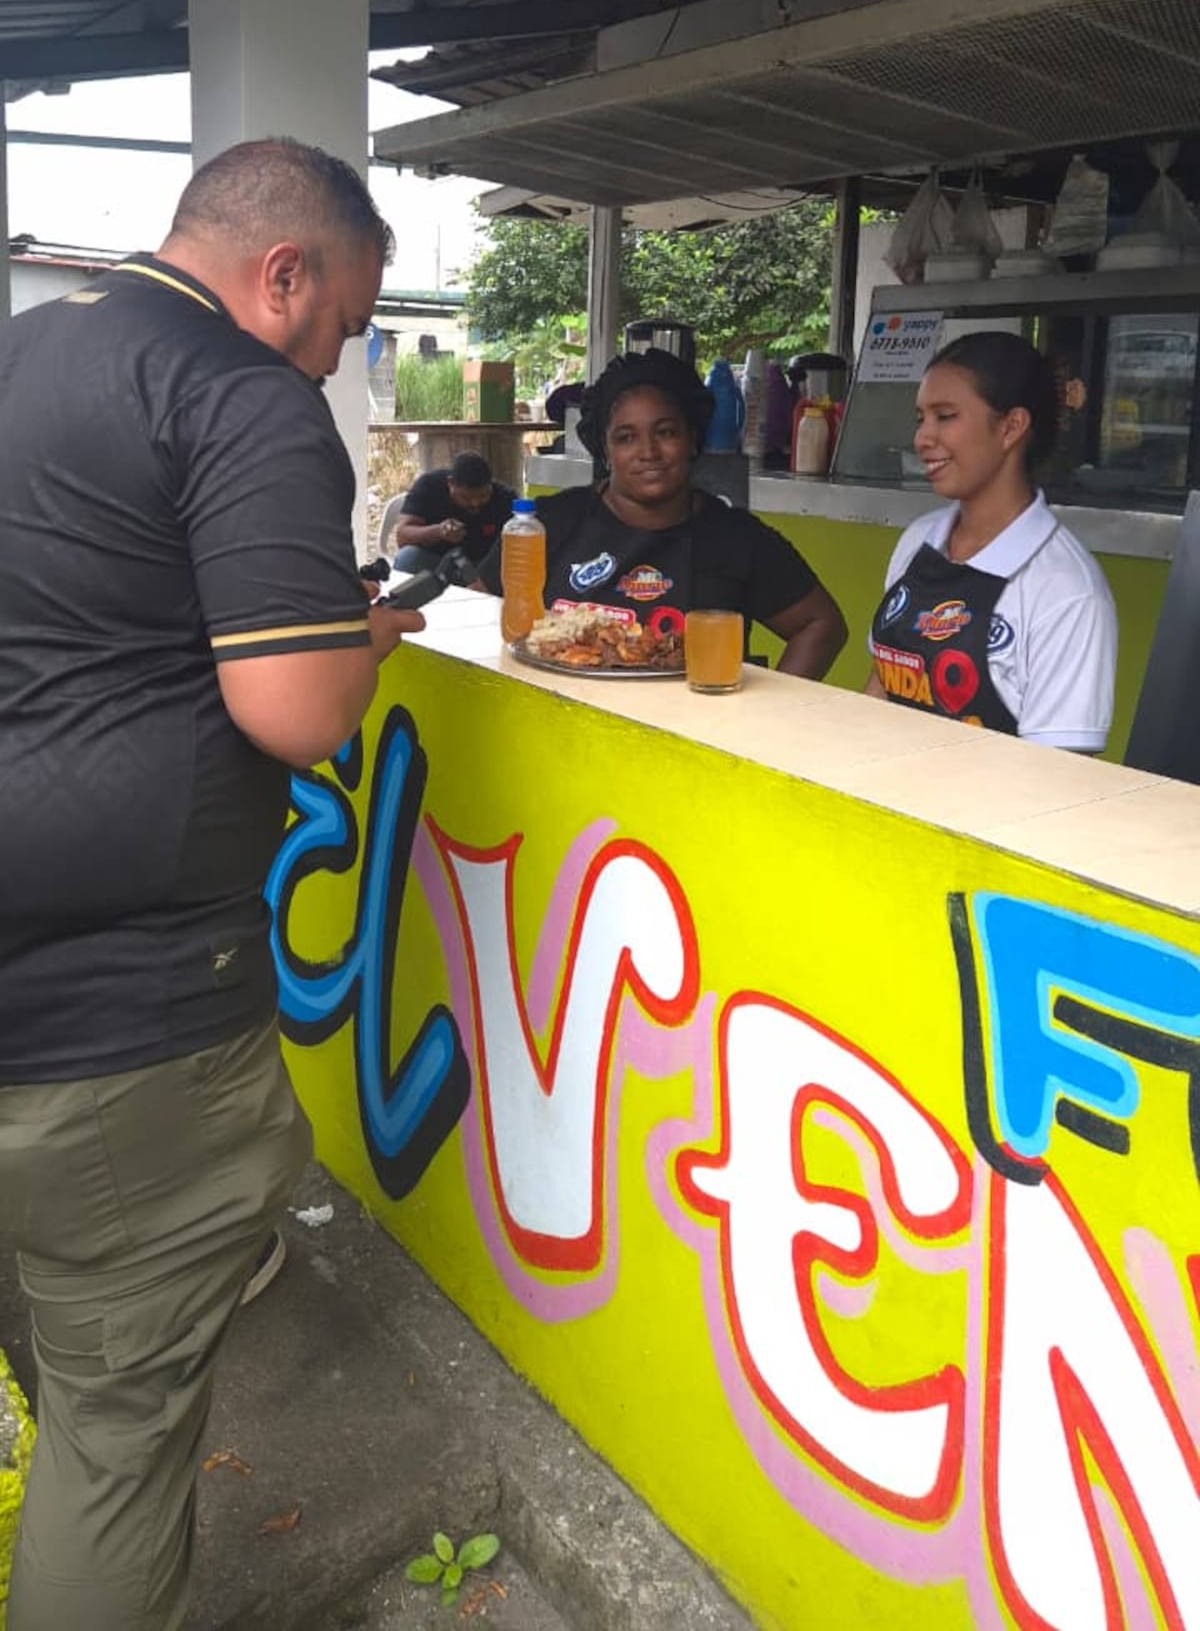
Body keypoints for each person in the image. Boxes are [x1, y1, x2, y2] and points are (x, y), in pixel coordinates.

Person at [0, 137, 426, 1631]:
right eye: (342, 327)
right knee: (118, 1425)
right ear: (282, 273)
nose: (334, 364)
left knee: (65, 1342)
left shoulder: (25, 354)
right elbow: (295, 715)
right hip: (116, 1017)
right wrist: (356, 641)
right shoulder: (235, 390)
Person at [476, 349, 847, 677]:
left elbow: (821, 625)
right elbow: (473, 609)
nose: (648, 452)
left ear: (692, 438)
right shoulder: (548, 523)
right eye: (626, 437)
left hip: (688, 729)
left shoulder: (736, 537)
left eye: (666, 432)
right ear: (605, 451)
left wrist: (763, 718)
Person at [868, 331, 1117, 748]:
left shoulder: (1066, 591)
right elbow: (881, 683)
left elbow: (1057, 773)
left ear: (1010, 427)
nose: (922, 438)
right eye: (920, 418)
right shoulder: (918, 542)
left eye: (945, 416)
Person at [381, 450, 515, 573]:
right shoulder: (428, 485)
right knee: (408, 558)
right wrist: (438, 531)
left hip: (483, 566)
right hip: (436, 562)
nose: (475, 503)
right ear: (450, 484)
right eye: (466, 498)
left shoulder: (505, 498)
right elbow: (402, 536)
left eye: (483, 496)